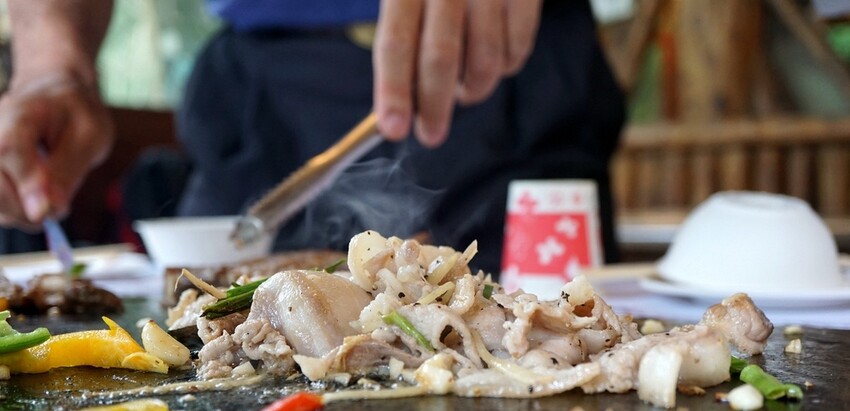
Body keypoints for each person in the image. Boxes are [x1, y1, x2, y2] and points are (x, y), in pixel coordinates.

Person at [0, 0, 625, 276]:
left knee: (535, 353)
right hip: (256, 84)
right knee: (205, 342)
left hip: (494, 59)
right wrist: (57, 64)